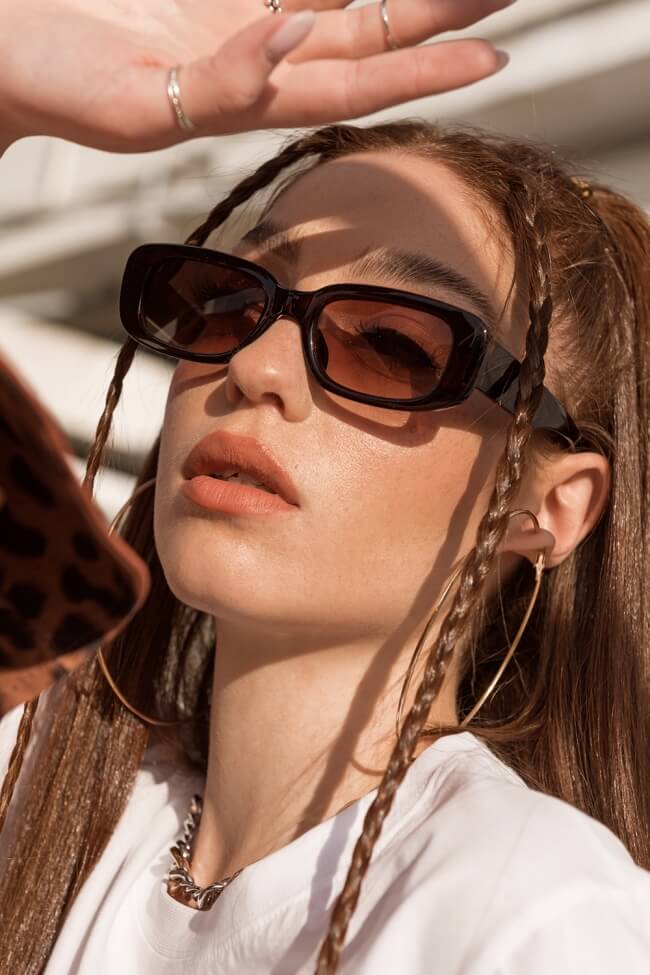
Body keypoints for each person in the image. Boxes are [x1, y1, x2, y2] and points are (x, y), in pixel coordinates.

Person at [1, 2, 650, 974]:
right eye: (228, 301)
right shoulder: (32, 774)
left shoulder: (530, 912)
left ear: (549, 506)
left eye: (391, 344)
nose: (253, 368)